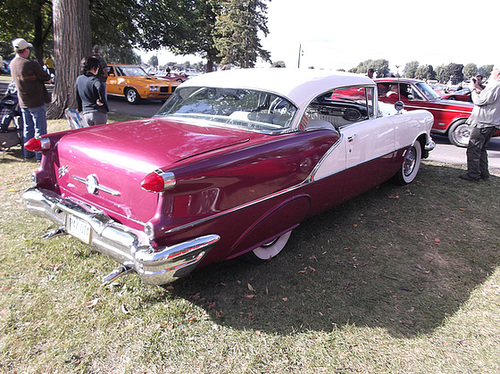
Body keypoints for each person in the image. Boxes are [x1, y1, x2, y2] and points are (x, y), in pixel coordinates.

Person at [9, 37, 51, 161]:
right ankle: (39, 155)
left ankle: (28, 153)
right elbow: (47, 78)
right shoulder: (30, 64)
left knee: (28, 128)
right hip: (36, 100)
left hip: (23, 101)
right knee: (40, 129)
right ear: (25, 50)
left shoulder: (12, 63)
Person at [459, 67, 500, 181]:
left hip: (483, 122)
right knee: (482, 149)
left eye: (493, 70)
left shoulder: (496, 85)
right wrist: (477, 87)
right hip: (491, 123)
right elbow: (487, 98)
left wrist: (472, 90)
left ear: (498, 73)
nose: (491, 72)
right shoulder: (496, 86)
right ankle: (483, 173)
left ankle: (473, 174)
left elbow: (479, 101)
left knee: (474, 149)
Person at [75, 56, 109, 126]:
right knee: (99, 134)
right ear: (94, 68)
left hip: (86, 113)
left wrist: (79, 108)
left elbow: (77, 96)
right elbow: (100, 87)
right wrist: (101, 100)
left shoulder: (79, 79)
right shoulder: (95, 79)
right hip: (98, 112)